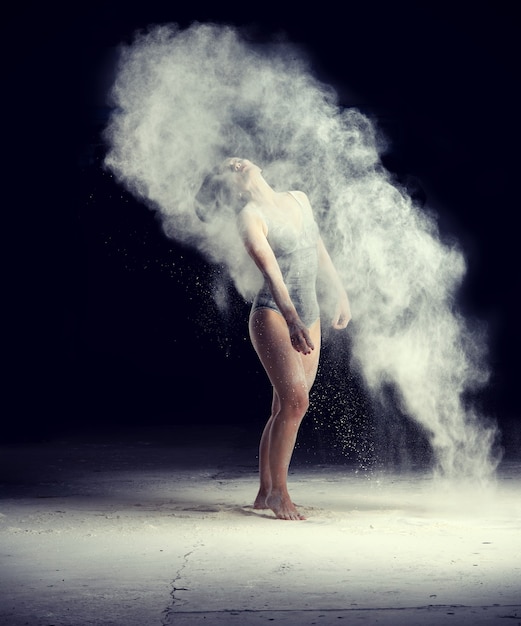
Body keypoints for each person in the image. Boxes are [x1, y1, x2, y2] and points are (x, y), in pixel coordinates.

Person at [197, 158, 351, 520]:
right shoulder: (249, 217)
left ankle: (265, 491)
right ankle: (280, 493)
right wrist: (293, 320)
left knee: (284, 406)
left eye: (234, 160)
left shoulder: (299, 198)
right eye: (227, 169)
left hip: (308, 314)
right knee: (296, 403)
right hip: (275, 314)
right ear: (231, 189)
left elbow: (318, 249)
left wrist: (340, 292)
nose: (235, 163)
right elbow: (272, 273)